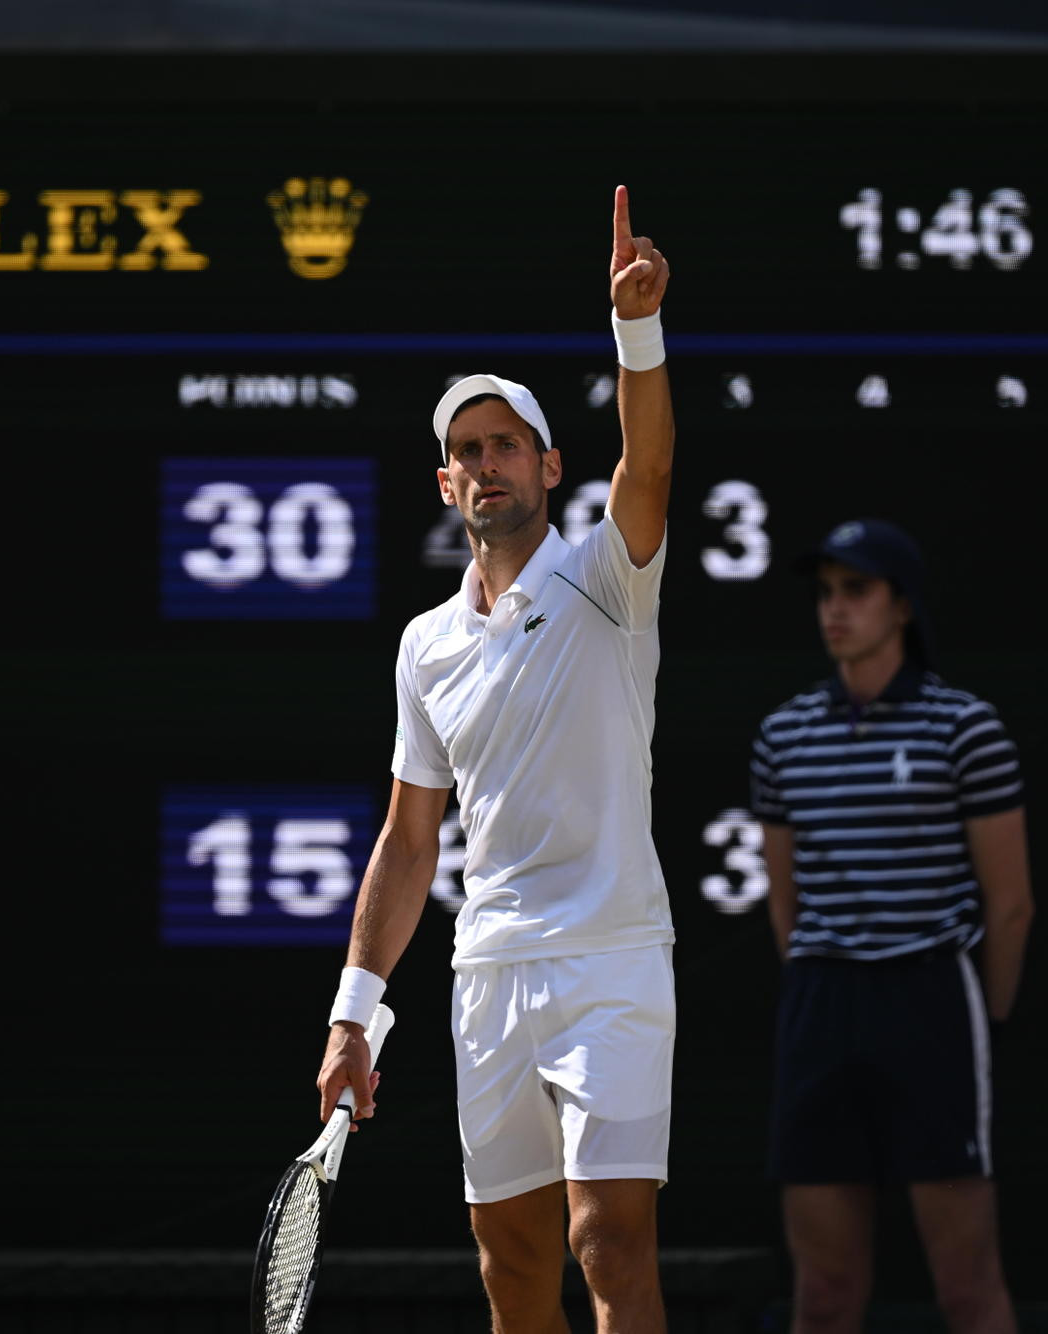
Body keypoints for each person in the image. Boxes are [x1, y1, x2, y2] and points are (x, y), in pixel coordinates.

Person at [313, 185, 674, 1334]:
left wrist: (635, 329)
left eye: (504, 444)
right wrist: (351, 1012)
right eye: (465, 452)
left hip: (612, 963)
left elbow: (651, 466)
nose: (486, 465)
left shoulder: (608, 579)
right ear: (445, 484)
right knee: (510, 1262)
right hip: (488, 974)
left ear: (548, 464)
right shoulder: (424, 645)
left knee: (607, 1237)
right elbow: (408, 838)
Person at [749, 519, 1032, 1334]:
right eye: (826, 594)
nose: (835, 610)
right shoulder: (783, 735)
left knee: (968, 1289)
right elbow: (784, 903)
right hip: (822, 1006)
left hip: (934, 1000)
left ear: (902, 606)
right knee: (825, 1295)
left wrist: (986, 1019)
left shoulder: (965, 728)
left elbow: (1011, 904)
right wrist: (825, 980)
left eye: (857, 591)